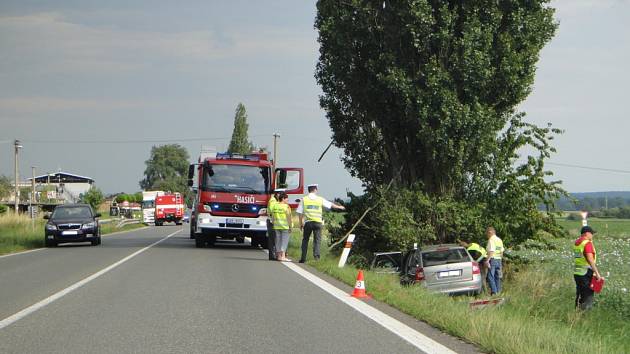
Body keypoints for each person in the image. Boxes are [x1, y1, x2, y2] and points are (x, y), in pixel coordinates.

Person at [297, 184, 345, 263]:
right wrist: (340, 207)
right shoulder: (320, 199)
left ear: (309, 190)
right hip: (317, 222)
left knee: (305, 240)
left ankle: (303, 258)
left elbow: (299, 212)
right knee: (317, 240)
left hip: (308, 222)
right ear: (315, 189)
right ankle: (316, 258)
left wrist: (301, 223)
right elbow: (330, 204)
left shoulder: (304, 199)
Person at [574, 225, 602, 311]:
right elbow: (590, 259)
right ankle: (583, 316)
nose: (592, 235)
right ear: (587, 233)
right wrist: (597, 274)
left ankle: (576, 314)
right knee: (587, 296)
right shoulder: (587, 243)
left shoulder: (577, 243)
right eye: (591, 233)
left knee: (580, 294)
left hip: (577, 273)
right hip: (586, 273)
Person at [271, 192, 292, 262]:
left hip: (277, 226)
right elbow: (289, 217)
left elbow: (273, 217)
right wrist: (290, 226)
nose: (287, 200)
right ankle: (283, 256)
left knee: (278, 241)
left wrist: (273, 224)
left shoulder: (275, 206)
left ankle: (278, 256)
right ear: (283, 199)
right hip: (285, 227)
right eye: (286, 199)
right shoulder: (286, 207)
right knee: (284, 242)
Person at [266, 188, 285, 261]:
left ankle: (275, 255)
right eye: (281, 195)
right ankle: (272, 255)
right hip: (272, 222)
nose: (282, 197)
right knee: (272, 239)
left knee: (276, 239)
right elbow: (272, 211)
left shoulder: (275, 200)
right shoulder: (273, 201)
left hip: (275, 222)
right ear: (277, 194)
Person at [485, 227, 504, 295]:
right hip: (498, 259)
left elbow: (491, 251)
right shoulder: (499, 240)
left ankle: (494, 292)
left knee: (490, 276)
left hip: (492, 260)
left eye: (487, 234)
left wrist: (487, 260)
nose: (487, 235)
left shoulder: (491, 240)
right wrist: (500, 260)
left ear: (490, 232)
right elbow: (501, 252)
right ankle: (498, 292)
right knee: (497, 277)